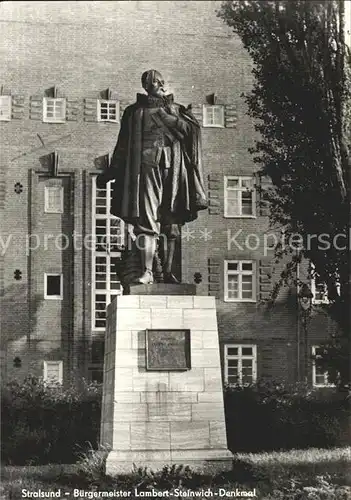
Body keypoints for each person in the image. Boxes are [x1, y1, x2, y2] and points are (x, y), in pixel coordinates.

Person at [96, 69, 207, 285]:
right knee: (146, 221)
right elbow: (122, 147)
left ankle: (166, 272)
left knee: (172, 222)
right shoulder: (134, 112)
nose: (158, 85)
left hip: (174, 169)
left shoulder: (176, 109)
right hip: (145, 169)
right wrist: (109, 173)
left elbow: (191, 134)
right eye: (153, 82)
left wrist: (167, 116)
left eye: (160, 82)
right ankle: (148, 271)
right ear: (146, 86)